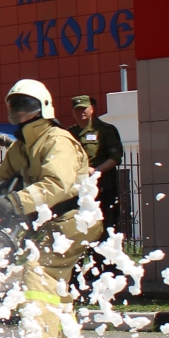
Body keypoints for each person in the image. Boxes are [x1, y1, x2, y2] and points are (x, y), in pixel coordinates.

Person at [0, 78, 102, 338]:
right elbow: (5, 176)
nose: (21, 112)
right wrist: (3, 196)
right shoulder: (21, 146)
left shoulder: (57, 140)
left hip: (73, 219)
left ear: (43, 107)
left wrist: (15, 202)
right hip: (52, 223)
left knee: (38, 271)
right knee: (54, 281)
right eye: (16, 106)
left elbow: (58, 185)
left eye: (27, 106)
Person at [67, 94, 124, 234]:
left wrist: (96, 170)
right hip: (77, 189)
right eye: (77, 109)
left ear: (92, 109)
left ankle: (105, 255)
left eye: (84, 108)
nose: (81, 112)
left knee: (105, 228)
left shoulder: (105, 130)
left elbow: (115, 157)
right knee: (78, 228)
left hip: (102, 188)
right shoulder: (69, 133)